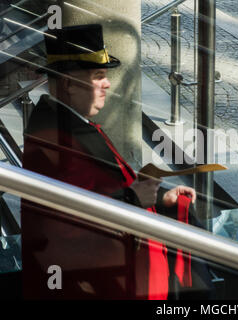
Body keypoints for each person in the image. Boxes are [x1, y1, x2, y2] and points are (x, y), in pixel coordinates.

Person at [21, 24, 213, 299]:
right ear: (68, 84)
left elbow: (99, 191)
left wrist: (159, 200)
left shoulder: (69, 123)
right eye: (98, 76)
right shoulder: (56, 139)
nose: (107, 84)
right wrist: (134, 198)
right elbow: (68, 225)